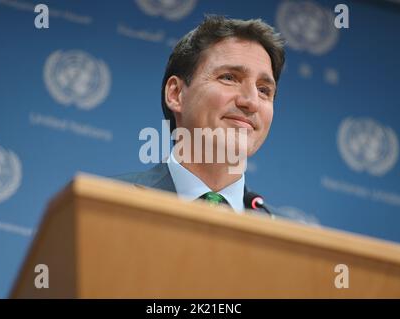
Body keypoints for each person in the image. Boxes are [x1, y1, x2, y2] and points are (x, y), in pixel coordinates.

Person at [115, 15, 285, 213]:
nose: (251, 102)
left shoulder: (292, 238)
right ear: (176, 94)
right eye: (229, 78)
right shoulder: (105, 204)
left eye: (264, 90)